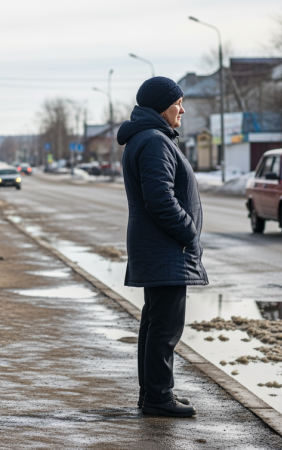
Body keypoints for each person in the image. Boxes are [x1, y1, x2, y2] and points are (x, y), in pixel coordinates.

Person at [117, 77, 207, 418]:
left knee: (154, 324)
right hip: (166, 248)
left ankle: (153, 393)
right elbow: (160, 200)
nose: (182, 109)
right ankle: (158, 397)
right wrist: (189, 234)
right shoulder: (155, 140)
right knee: (166, 328)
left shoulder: (149, 137)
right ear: (160, 106)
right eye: (178, 102)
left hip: (158, 248)